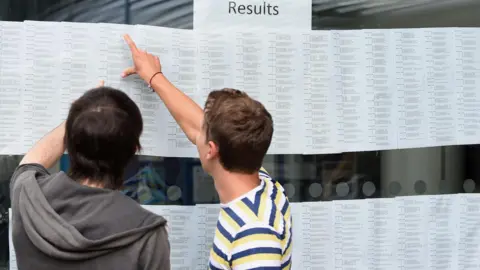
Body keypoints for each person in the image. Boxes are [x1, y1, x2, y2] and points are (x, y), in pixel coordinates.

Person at [122, 35, 293, 270]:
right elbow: (195, 125)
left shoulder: (254, 233)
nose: (195, 134)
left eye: (203, 132)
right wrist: (154, 77)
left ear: (211, 150)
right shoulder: (261, 182)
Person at [10, 81, 170, 270]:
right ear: (134, 150)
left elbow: (33, 159)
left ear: (68, 140)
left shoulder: (28, 195)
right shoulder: (146, 235)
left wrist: (83, 115)